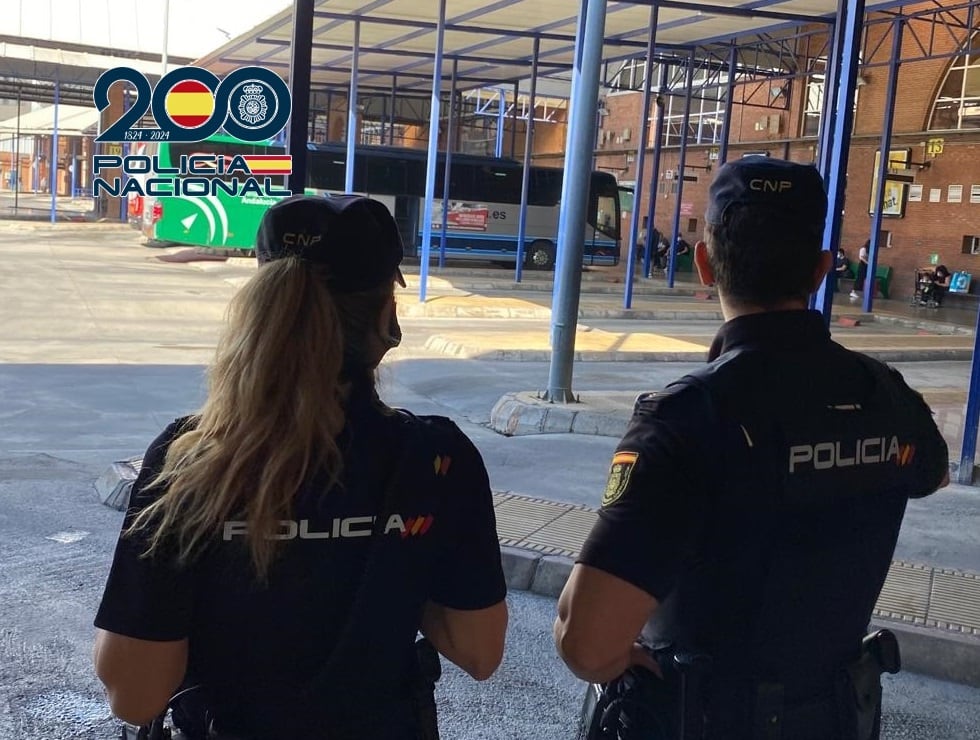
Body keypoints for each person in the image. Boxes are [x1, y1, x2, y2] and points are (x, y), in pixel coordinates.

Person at [554, 157, 949, 740]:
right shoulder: (885, 395)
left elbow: (586, 645)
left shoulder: (686, 420)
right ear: (819, 272)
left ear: (706, 264)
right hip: (836, 720)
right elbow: (932, 473)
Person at [93, 195, 509, 739]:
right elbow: (479, 652)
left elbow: (135, 694)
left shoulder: (189, 462)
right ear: (386, 319)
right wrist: (396, 561)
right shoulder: (436, 461)